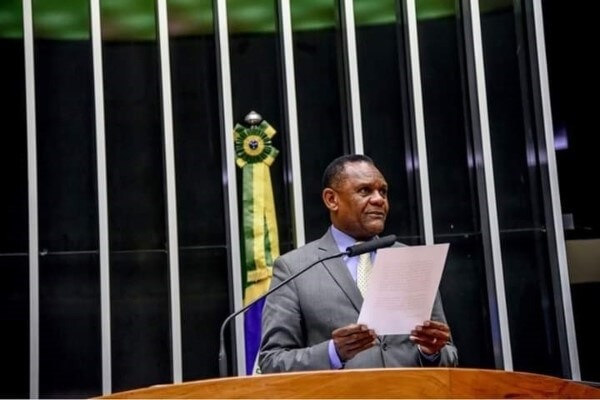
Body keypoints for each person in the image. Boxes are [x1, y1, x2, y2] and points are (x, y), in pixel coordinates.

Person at [258, 154, 458, 372]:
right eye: (365, 191)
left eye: (383, 191)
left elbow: (448, 352)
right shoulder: (295, 268)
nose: (379, 200)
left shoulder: (412, 260)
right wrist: (334, 353)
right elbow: (272, 362)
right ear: (331, 199)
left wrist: (430, 352)